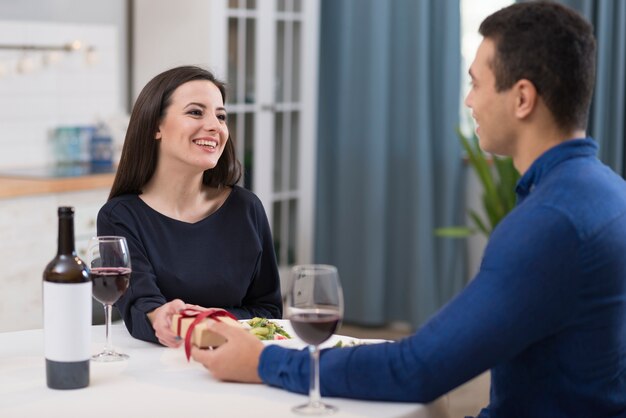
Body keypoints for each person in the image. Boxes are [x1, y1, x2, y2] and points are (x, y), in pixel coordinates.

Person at [189, 2, 626, 416]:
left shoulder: (551, 223)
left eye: (475, 83)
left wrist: (264, 362)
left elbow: (417, 370)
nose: (469, 100)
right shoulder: (608, 193)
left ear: (522, 98)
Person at [97, 66, 282, 346]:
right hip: (158, 368)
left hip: (238, 364)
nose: (215, 126)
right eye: (196, 112)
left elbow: (269, 312)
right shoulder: (120, 217)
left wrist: (201, 322)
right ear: (155, 127)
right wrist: (164, 318)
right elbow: (141, 308)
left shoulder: (246, 208)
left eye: (221, 116)